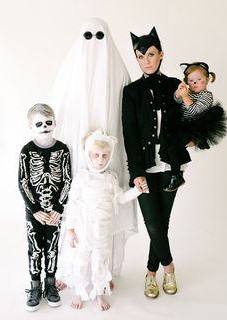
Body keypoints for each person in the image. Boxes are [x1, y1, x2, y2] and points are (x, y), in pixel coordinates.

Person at [50, 18, 137, 287]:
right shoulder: (70, 70)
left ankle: (104, 272)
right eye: (87, 35)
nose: (93, 42)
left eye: (99, 36)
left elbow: (129, 115)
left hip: (108, 151)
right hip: (78, 151)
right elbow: (59, 113)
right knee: (77, 205)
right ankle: (69, 269)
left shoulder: (119, 73)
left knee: (104, 208)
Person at [122, 27, 192, 299]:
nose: (145, 61)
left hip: (171, 164)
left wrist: (193, 137)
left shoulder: (176, 85)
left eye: (150, 55)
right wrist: (136, 172)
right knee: (153, 222)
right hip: (145, 166)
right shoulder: (131, 92)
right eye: (140, 57)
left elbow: (189, 118)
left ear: (161, 54)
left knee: (162, 220)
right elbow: (129, 134)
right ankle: (169, 267)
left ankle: (151, 273)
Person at [60, 129, 148, 311]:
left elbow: (121, 198)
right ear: (88, 155)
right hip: (84, 231)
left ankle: (99, 293)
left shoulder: (110, 179)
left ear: (110, 156)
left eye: (104, 156)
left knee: (100, 261)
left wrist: (137, 190)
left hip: (103, 232)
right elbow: (73, 204)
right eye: (96, 155)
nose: (100, 160)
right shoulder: (82, 178)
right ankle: (79, 291)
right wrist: (70, 229)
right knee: (81, 261)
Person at [18, 103, 72, 311]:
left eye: (49, 122)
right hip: (34, 212)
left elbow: (67, 179)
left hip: (55, 213)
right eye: (39, 123)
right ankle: (34, 285)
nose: (44, 126)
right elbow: (23, 182)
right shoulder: (26, 151)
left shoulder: (63, 149)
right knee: (35, 248)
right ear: (31, 126)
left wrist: (59, 208)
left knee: (51, 248)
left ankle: (50, 284)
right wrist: (34, 209)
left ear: (55, 123)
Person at [163, 61, 227, 192]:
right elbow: (177, 100)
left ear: (208, 79)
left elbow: (195, 112)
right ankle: (178, 173)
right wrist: (178, 93)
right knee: (171, 144)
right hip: (182, 124)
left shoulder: (206, 96)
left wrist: (186, 96)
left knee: (174, 145)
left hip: (195, 126)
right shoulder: (190, 92)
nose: (195, 83)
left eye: (199, 80)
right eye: (191, 80)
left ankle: (176, 175)